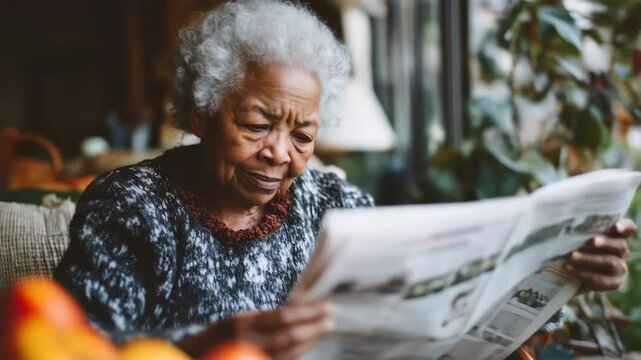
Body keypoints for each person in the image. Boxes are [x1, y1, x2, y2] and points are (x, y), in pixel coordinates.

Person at [54, 0, 636, 358]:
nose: (280, 153)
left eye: (303, 135)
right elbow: (74, 349)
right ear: (202, 112)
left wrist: (559, 275)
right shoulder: (130, 204)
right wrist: (211, 342)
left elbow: (439, 318)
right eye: (257, 124)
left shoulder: (335, 202)